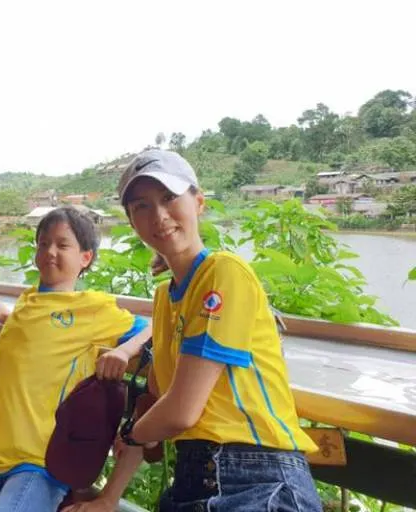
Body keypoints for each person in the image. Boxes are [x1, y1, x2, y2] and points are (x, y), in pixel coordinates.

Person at [65, 149, 321, 512]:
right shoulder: (164, 300)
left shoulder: (223, 271)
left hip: (257, 478)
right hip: (191, 481)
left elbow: (180, 412)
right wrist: (108, 498)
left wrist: (131, 434)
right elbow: (154, 408)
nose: (159, 215)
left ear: (198, 202)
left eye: (169, 197)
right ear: (133, 223)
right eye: (141, 206)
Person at [0, 206, 151, 512]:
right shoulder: (27, 301)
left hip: (40, 462)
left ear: (86, 257)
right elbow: (36, 329)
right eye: (43, 243)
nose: (50, 251)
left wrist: (124, 350)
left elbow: (156, 327)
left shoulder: (93, 309)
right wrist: (2, 314)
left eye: (62, 245)